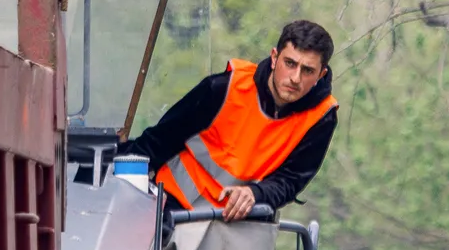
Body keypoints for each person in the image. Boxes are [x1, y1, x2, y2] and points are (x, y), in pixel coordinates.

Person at [117, 20, 338, 223]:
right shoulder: (224, 88)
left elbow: (290, 180)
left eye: (308, 70)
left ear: (321, 75)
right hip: (171, 208)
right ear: (274, 58)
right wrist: (116, 177)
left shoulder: (321, 118)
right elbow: (160, 140)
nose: (295, 78)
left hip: (237, 224)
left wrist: (256, 194)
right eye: (289, 63)